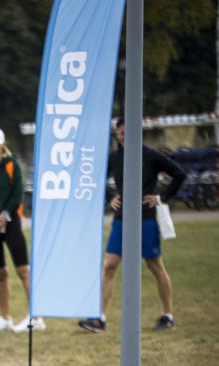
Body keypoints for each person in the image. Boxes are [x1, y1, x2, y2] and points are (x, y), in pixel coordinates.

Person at [78, 118, 187, 333]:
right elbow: (94, 175)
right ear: (117, 135)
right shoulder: (115, 157)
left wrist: (161, 197)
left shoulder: (151, 156)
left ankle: (168, 316)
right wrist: (109, 197)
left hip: (145, 218)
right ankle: (99, 318)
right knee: (109, 265)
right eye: (121, 132)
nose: (124, 135)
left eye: (128, 132)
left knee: (155, 266)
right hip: (121, 219)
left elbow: (179, 174)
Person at [0, 126, 45, 333]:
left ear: (3, 145)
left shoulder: (12, 165)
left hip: (10, 223)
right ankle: (4, 318)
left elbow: (16, 196)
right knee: (0, 273)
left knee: (23, 270)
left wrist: (3, 216)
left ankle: (36, 316)